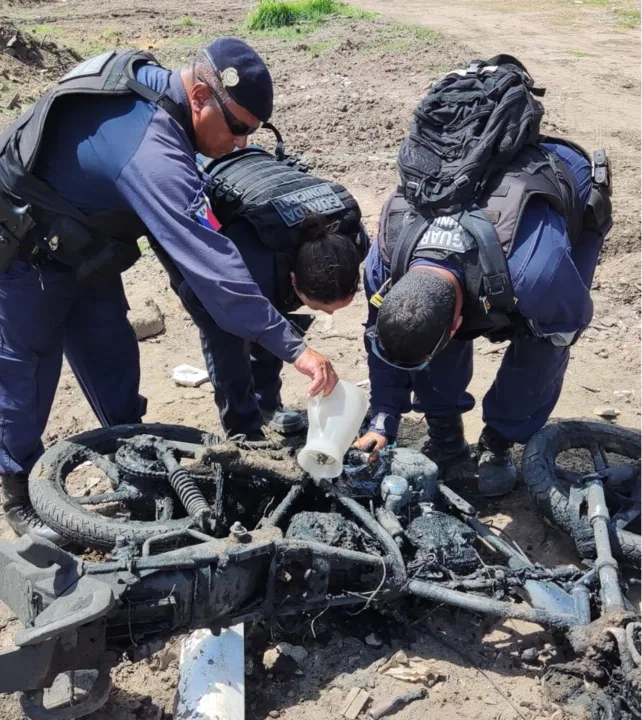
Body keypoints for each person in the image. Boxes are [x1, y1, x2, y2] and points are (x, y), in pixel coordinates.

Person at [0, 39, 340, 542]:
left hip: (85, 246)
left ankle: (135, 462)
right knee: (24, 378)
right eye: (239, 128)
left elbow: (185, 246)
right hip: (23, 252)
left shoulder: (161, 98)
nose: (242, 143)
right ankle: (19, 493)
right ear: (200, 94)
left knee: (112, 357)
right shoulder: (150, 146)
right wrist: (296, 349)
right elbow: (209, 259)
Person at [353, 58, 612, 498]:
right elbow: (382, 335)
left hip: (563, 187)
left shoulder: (537, 275)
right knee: (424, 334)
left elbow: (569, 319)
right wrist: (384, 415)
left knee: (546, 337)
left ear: (458, 323)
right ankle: (445, 431)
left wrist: (507, 423)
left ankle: (500, 438)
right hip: (465, 195)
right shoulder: (384, 263)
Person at [165, 143, 367, 440]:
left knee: (272, 320)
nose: (327, 314)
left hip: (258, 181)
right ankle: (244, 432)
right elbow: (200, 299)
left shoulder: (354, 240)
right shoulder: (246, 268)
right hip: (194, 189)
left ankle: (266, 406)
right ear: (294, 280)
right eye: (321, 307)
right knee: (231, 342)